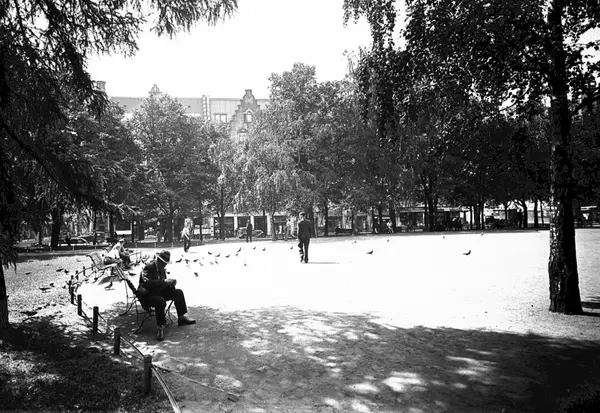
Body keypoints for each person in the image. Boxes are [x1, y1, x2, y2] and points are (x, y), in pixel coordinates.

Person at [137, 250, 196, 341]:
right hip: (148, 295)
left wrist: (170, 284)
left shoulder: (162, 269)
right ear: (158, 260)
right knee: (160, 301)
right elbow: (147, 283)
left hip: (158, 292)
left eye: (165, 264)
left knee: (178, 292)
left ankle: (181, 317)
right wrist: (164, 281)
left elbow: (162, 284)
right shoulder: (148, 267)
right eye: (163, 263)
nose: (165, 265)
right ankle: (160, 326)